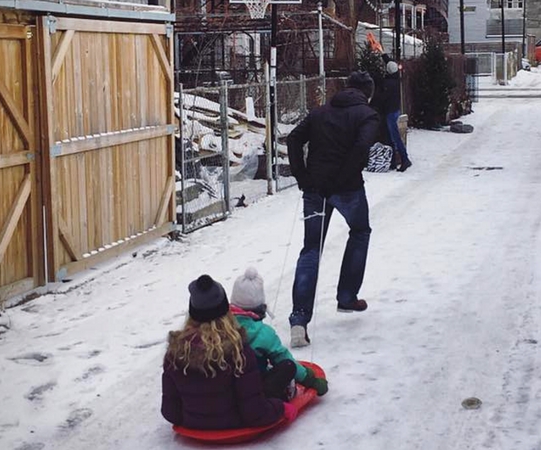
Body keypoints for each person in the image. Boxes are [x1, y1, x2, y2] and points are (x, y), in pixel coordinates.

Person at [286, 71, 379, 348]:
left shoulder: (320, 112)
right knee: (360, 231)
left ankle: (299, 320)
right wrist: (340, 180)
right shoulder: (367, 115)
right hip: (348, 189)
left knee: (311, 248)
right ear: (368, 92)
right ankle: (347, 296)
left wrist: (303, 178)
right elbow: (362, 146)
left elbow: (292, 139)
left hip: (315, 190)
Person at [161, 274, 297, 429]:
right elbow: (255, 414)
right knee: (286, 367)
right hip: (235, 424)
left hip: (193, 424)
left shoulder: (176, 352)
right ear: (226, 312)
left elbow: (170, 412)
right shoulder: (238, 352)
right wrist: (280, 408)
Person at [230, 267, 329, 397]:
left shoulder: (218, 326)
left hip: (227, 388)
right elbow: (282, 357)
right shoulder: (263, 333)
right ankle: (276, 399)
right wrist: (311, 380)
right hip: (254, 389)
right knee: (286, 366)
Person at [380, 58, 412, 172]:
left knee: (395, 137)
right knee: (391, 136)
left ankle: (405, 159)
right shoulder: (397, 78)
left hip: (390, 112)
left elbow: (383, 98)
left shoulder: (388, 83)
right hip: (395, 110)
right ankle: (393, 162)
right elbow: (390, 63)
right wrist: (383, 54)